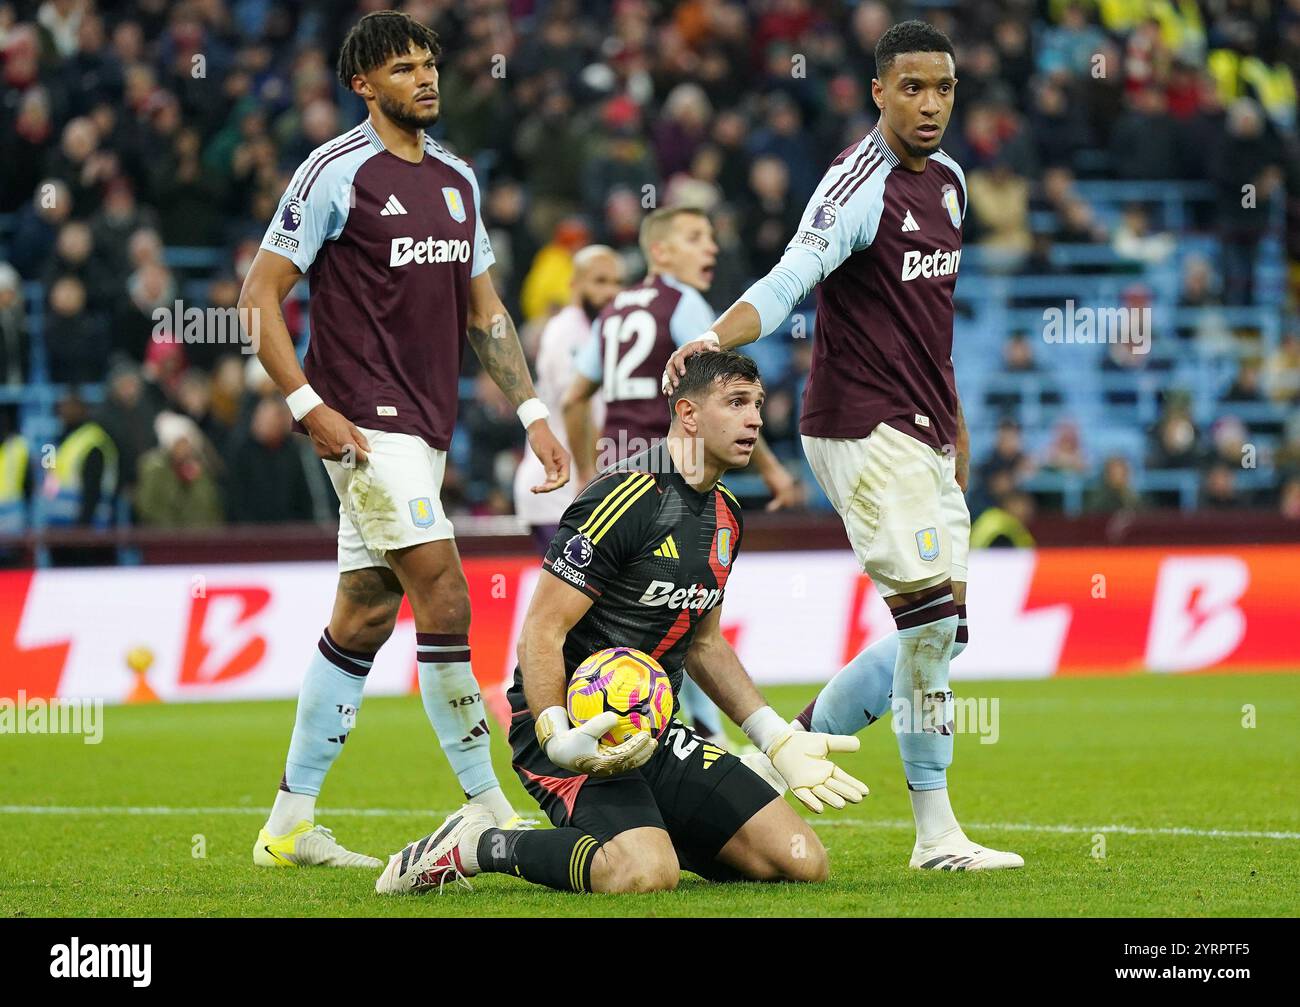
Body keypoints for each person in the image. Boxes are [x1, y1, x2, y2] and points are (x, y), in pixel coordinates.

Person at [664, 21, 1021, 870]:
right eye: (911, 88)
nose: (929, 104)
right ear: (878, 93)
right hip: (861, 422)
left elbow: (930, 325)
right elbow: (792, 276)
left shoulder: (952, 185)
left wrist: (956, 419)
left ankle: (771, 758)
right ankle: (936, 837)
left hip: (926, 423)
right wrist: (714, 338)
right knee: (931, 621)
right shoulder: (857, 184)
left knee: (946, 631)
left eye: (942, 88)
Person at [237, 11, 569, 869]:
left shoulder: (458, 179)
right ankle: (488, 802)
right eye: (403, 69)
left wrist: (533, 414)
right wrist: (309, 402)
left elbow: (485, 311)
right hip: (363, 426)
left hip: (427, 429)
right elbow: (258, 294)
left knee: (364, 611)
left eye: (429, 64)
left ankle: (287, 824)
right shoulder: (335, 172)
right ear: (364, 85)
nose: (425, 79)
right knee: (446, 597)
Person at [377, 352, 867, 895]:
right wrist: (555, 732)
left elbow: (703, 644)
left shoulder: (727, 512)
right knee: (643, 873)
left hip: (651, 729)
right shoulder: (624, 497)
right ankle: (475, 844)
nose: (754, 419)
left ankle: (647, 826)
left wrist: (775, 739)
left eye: (755, 404)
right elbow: (542, 630)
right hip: (571, 727)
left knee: (800, 862)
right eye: (735, 403)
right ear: (688, 413)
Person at [511, 244, 623, 553]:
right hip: (560, 491)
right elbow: (575, 404)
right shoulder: (566, 332)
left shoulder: (598, 332)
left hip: (577, 487)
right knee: (576, 598)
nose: (611, 291)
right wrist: (590, 475)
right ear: (575, 283)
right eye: (600, 281)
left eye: (617, 282)